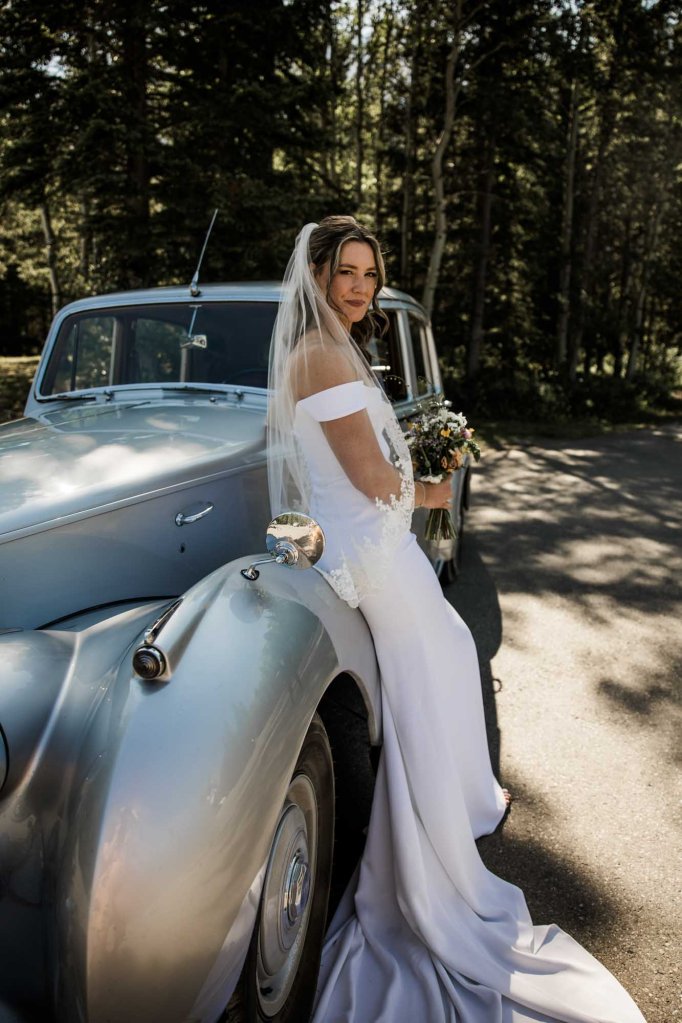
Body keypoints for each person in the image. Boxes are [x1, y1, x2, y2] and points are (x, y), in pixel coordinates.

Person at [267, 216, 646, 1023]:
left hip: (378, 542)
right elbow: (372, 478)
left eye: (370, 273)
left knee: (440, 656)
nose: (360, 287)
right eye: (347, 272)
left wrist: (415, 470)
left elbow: (368, 466)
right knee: (431, 667)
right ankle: (426, 851)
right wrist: (433, 484)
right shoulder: (322, 354)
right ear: (318, 274)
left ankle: (452, 806)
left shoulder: (333, 346)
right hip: (375, 552)